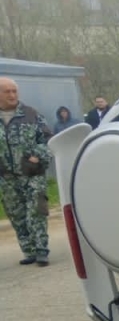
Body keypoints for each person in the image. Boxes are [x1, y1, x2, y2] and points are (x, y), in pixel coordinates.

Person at [0, 77, 53, 266]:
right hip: (6, 177)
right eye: (7, 91)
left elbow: (47, 139)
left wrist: (38, 155)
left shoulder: (31, 114)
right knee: (17, 215)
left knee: (36, 211)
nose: (12, 95)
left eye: (14, 91)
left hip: (32, 172)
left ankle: (41, 251)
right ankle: (29, 250)